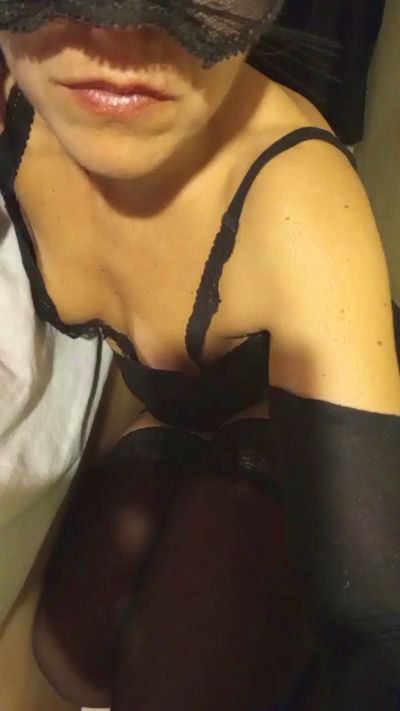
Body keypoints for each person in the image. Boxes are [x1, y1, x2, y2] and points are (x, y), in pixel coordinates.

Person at [0, 2, 399, 710]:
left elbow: (374, 629)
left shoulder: (301, 207)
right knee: (69, 660)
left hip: (301, 423)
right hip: (174, 408)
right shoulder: (16, 106)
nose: (118, 37)